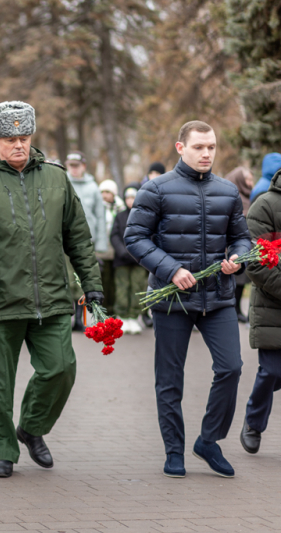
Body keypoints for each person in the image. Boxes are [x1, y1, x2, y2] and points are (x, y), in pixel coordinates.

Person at [0, 101, 103, 479]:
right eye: (9, 138)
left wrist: (92, 286)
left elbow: (79, 238)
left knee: (61, 368)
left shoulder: (56, 178)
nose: (19, 144)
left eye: (24, 136)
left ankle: (32, 428)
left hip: (51, 298)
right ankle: (3, 451)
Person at [125, 120, 252, 478]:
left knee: (231, 368)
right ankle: (174, 451)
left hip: (219, 298)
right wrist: (170, 269)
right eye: (199, 147)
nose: (207, 153)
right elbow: (135, 237)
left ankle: (208, 441)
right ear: (181, 148)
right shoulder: (157, 189)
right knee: (170, 379)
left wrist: (237, 260)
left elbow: (242, 239)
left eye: (211, 147)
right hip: (173, 302)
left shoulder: (228, 192)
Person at [240, 164, 281, 455]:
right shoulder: (265, 205)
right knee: (271, 371)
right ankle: (253, 422)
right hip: (272, 304)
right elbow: (255, 262)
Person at [65, 151, 107, 330]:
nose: (74, 169)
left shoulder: (93, 188)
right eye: (71, 166)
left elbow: (100, 216)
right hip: (65, 243)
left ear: (83, 166)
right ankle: (70, 317)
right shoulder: (63, 184)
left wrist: (101, 246)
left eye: (77, 166)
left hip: (87, 242)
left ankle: (81, 320)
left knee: (84, 280)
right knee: (68, 279)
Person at [110, 184, 147, 334]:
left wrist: (137, 252)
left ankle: (134, 316)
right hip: (122, 260)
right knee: (122, 288)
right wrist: (122, 251)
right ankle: (122, 316)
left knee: (137, 288)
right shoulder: (119, 216)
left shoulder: (144, 216)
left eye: (133, 197)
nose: (130, 200)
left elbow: (148, 236)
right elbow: (114, 235)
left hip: (138, 261)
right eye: (127, 197)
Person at [225, 166, 254, 323]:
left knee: (242, 279)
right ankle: (233, 309)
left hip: (243, 245)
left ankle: (237, 310)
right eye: (247, 180)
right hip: (231, 245)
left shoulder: (248, 196)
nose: (250, 183)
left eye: (251, 180)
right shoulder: (232, 195)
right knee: (236, 280)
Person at [98, 179, 125, 310]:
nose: (104, 195)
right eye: (102, 192)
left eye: (108, 192)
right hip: (100, 252)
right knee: (103, 283)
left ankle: (113, 310)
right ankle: (102, 310)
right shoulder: (97, 207)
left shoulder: (121, 208)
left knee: (115, 284)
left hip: (116, 252)